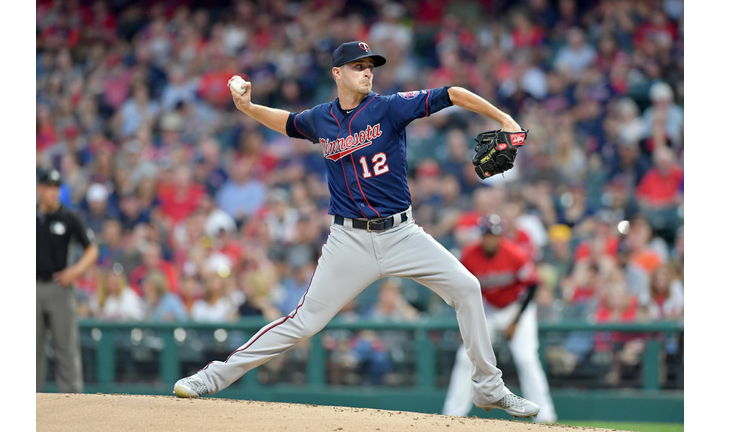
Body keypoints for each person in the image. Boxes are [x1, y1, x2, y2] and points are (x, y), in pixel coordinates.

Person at [173, 41, 540, 418]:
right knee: (303, 323)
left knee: (467, 288)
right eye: (357, 66)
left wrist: (504, 120)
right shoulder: (322, 118)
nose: (367, 72)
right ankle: (211, 378)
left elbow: (453, 93)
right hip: (348, 240)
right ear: (337, 73)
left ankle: (489, 388)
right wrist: (248, 108)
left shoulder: (388, 107)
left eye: (370, 66)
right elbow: (286, 123)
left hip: (402, 233)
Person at [442, 215, 556, 423]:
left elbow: (532, 286)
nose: (490, 239)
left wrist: (515, 322)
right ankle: (453, 413)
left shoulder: (515, 254)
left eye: (494, 235)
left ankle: (545, 415)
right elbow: (461, 291)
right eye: (486, 235)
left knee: (526, 358)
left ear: (501, 235)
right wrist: (465, 325)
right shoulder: (469, 255)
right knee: (465, 357)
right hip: (489, 309)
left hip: (516, 307)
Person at [37, 168, 99, 393]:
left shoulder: (69, 217)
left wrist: (74, 271)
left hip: (60, 287)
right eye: (49, 188)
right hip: (34, 287)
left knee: (66, 347)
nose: (53, 192)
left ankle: (72, 401)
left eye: (56, 188)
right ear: (39, 189)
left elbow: (92, 249)